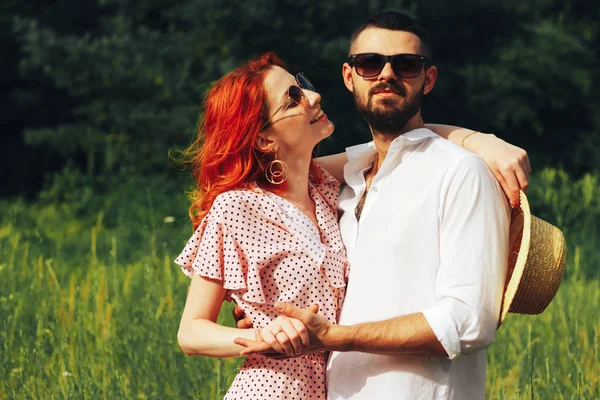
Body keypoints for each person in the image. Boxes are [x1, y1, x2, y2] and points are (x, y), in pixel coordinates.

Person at [235, 10, 513, 400]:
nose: (386, 74)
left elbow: (469, 321)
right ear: (349, 77)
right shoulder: (338, 185)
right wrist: (267, 311)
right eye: (370, 63)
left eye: (405, 64)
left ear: (427, 79)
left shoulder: (460, 172)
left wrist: (337, 338)